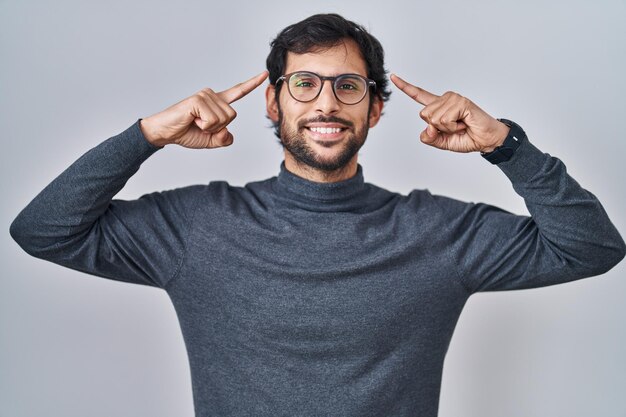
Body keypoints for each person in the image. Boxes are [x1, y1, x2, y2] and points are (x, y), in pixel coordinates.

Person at [9, 12, 625, 417]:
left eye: (349, 86)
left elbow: (592, 248)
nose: (326, 104)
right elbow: (42, 230)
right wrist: (145, 135)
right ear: (271, 103)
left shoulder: (440, 232)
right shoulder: (196, 226)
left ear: (376, 109)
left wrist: (505, 146)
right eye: (303, 84)